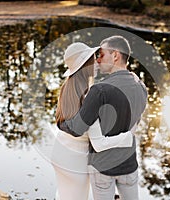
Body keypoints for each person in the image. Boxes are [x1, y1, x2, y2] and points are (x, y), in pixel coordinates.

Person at [58, 36, 148, 200]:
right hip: (129, 164)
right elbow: (137, 121)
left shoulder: (98, 91)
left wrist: (61, 124)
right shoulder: (141, 86)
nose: (98, 60)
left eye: (101, 55)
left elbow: (79, 129)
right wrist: (129, 137)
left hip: (103, 167)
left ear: (115, 56)